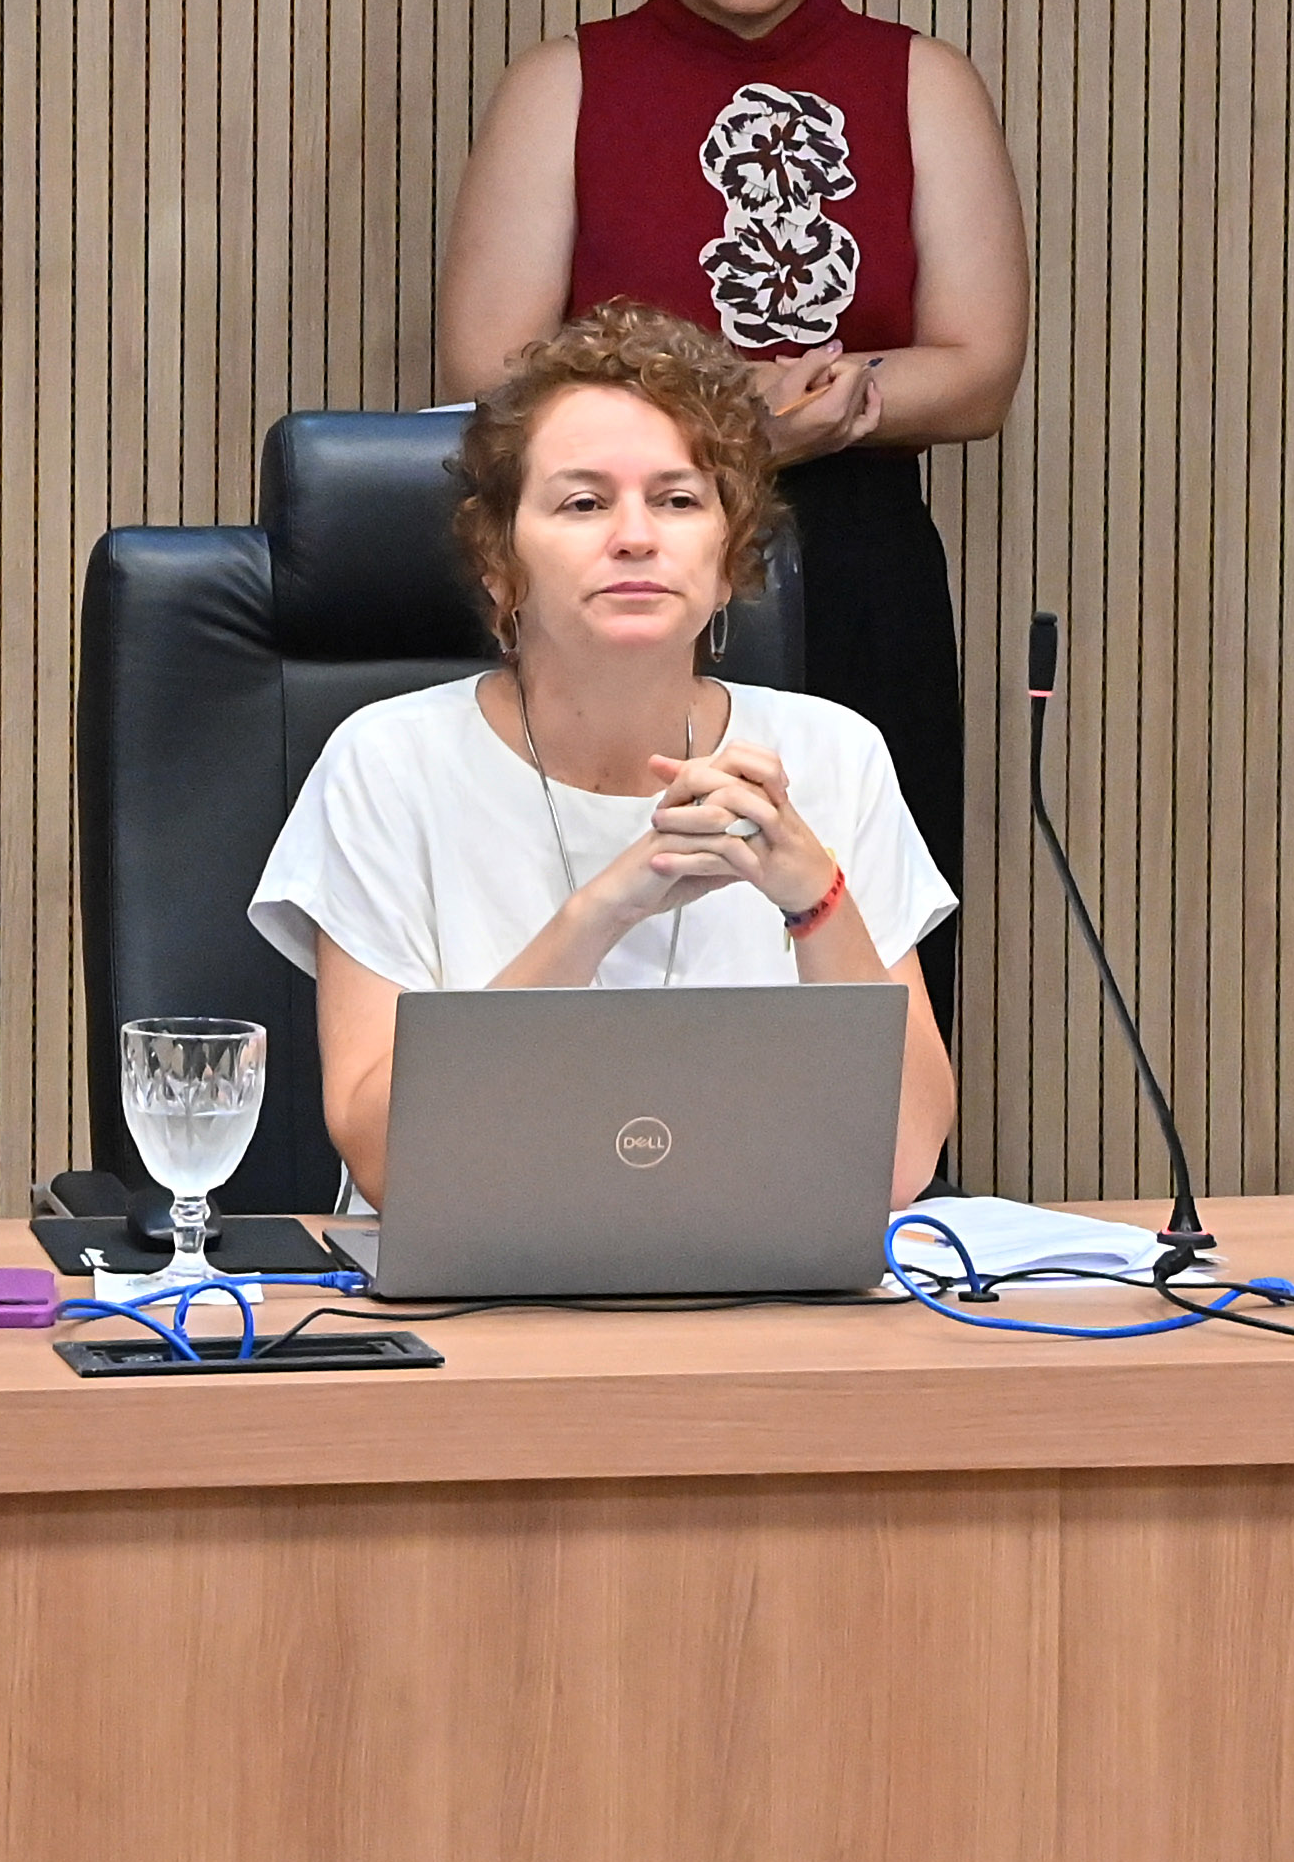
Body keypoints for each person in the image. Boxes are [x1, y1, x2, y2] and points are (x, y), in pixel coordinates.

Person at [439, 0, 1026, 1060]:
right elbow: (484, 367)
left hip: (856, 562)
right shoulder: (564, 85)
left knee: (859, 930)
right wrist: (733, 423)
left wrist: (832, 411)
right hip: (619, 563)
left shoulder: (921, 81)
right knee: (620, 911)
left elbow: (980, 368)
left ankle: (877, 1182)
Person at [252, 304, 957, 1205]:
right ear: (499, 566)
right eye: (583, 503)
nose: (635, 536)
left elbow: (903, 1166)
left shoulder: (833, 754)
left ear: (730, 557)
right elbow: (394, 1167)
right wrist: (602, 910)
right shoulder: (388, 764)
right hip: (479, 1276)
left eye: (678, 500)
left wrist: (817, 899)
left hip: (760, 1270)